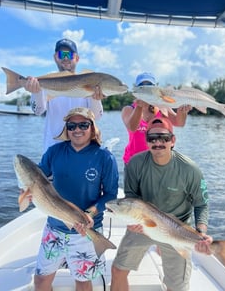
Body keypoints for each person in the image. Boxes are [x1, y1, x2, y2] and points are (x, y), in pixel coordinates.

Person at [110, 117, 212, 291]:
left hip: (176, 230)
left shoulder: (190, 169)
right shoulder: (135, 163)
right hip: (143, 224)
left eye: (164, 137)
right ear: (146, 141)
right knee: (118, 270)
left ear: (173, 140)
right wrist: (134, 223)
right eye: (152, 138)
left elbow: (201, 204)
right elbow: (131, 197)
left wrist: (201, 232)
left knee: (176, 286)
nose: (158, 142)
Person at [33, 107, 119, 291]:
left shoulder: (105, 157)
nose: (77, 130)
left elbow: (111, 195)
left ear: (93, 127)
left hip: (86, 230)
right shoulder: (54, 152)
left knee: (82, 282)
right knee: (40, 280)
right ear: (66, 129)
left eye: (83, 124)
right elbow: (37, 179)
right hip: (54, 228)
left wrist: (90, 212)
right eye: (72, 126)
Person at [24, 38, 104, 152]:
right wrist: (36, 92)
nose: (66, 58)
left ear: (77, 58)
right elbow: (38, 111)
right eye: (62, 54)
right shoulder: (45, 80)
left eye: (69, 54)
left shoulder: (88, 82)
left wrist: (96, 99)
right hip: (53, 150)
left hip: (82, 149)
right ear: (55, 57)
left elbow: (97, 116)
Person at [122, 72, 192, 164]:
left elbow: (179, 123)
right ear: (137, 89)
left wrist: (182, 111)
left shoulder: (162, 107)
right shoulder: (128, 109)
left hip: (157, 163)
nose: (146, 90)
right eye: (142, 87)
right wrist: (139, 106)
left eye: (149, 87)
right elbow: (132, 127)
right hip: (134, 163)